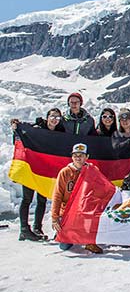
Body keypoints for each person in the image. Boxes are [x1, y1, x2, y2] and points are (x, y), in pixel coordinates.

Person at [10, 108, 64, 241]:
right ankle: (24, 229)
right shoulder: (37, 128)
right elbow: (21, 136)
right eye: (52, 116)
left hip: (46, 171)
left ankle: (37, 228)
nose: (54, 119)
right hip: (31, 168)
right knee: (27, 198)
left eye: (57, 117)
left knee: (42, 199)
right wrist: (16, 128)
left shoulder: (60, 134)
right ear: (47, 117)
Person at [52, 143, 103, 254]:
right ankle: (66, 232)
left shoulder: (93, 170)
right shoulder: (65, 172)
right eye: (75, 155)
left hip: (86, 211)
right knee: (64, 246)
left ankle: (90, 242)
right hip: (68, 212)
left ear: (87, 157)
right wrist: (54, 217)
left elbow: (101, 189)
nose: (78, 158)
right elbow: (57, 195)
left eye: (81, 155)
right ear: (72, 157)